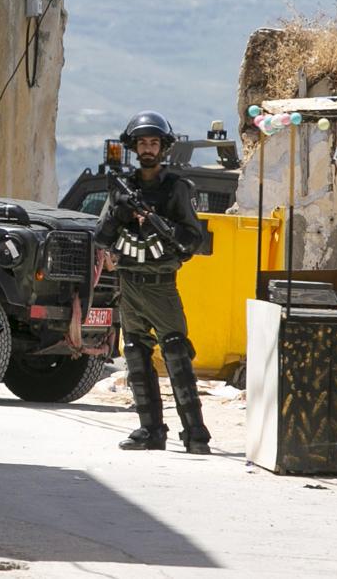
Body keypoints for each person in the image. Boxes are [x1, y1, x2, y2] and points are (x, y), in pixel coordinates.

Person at [95, 111, 212, 455]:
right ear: (134, 147)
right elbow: (101, 237)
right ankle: (150, 429)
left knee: (176, 351)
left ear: (163, 147)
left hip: (161, 282)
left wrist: (159, 224)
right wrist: (121, 215)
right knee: (135, 353)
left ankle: (196, 433)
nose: (148, 148)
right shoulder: (122, 189)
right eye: (143, 143)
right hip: (129, 280)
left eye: (154, 143)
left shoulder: (177, 188)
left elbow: (193, 241)